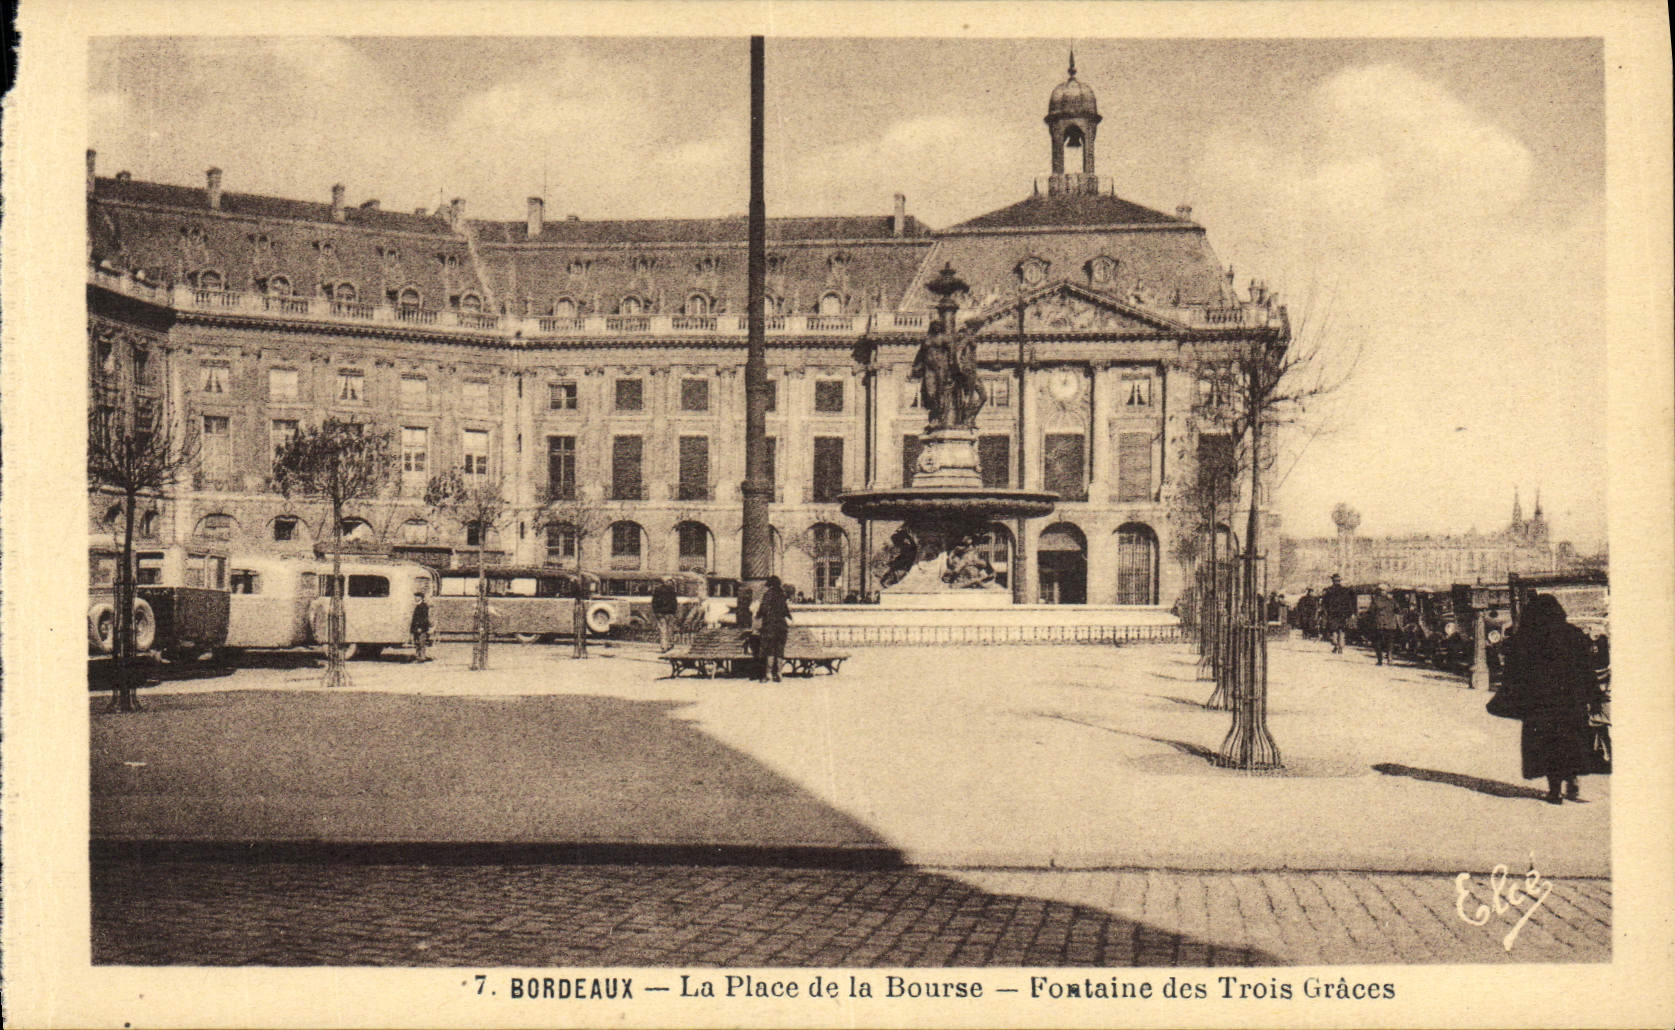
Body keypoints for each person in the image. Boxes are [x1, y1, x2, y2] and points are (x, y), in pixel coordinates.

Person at [1495, 594, 1602, 804]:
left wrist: (1513, 698)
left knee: (1548, 746)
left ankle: (1554, 791)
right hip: (1571, 702)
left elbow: (1513, 673)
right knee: (1571, 742)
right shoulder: (1574, 634)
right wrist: (1593, 695)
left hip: (1540, 705)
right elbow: (1587, 669)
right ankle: (1572, 780)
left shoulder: (1525, 637)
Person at [755, 576, 792, 683]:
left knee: (770, 650)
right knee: (780, 650)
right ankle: (779, 673)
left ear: (770, 585)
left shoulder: (768, 595)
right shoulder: (782, 595)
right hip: (782, 626)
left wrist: (757, 616)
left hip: (770, 626)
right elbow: (786, 612)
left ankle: (768, 674)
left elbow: (762, 610)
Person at [1320, 574, 1355, 654]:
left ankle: (1336, 645)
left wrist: (1324, 612)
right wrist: (1350, 613)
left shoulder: (1329, 591)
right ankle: (1340, 646)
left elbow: (1324, 604)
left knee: (1334, 631)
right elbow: (1349, 603)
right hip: (1341, 614)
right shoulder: (1345, 590)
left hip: (1333, 614)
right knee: (1341, 630)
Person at [1369, 583, 1400, 665]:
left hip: (1379, 624)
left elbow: (1371, 612)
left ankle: (1380, 660)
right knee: (1390, 642)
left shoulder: (1375, 600)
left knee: (1377, 642)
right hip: (1390, 625)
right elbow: (1398, 610)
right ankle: (1390, 658)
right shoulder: (1392, 600)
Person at [650, 578, 680, 652]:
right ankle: (670, 644)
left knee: (663, 630)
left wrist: (656, 612)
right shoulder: (672, 591)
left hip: (661, 613)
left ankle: (664, 646)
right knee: (670, 630)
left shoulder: (657, 590)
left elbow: (654, 602)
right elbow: (675, 603)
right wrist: (674, 612)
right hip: (670, 613)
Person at [409, 593, 431, 662]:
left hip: (421, 628)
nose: (415, 598)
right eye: (415, 597)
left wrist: (420, 627)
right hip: (416, 628)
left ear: (421, 598)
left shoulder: (423, 606)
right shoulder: (418, 605)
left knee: (421, 643)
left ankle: (422, 657)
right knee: (417, 643)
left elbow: (423, 618)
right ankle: (418, 657)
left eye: (417, 597)